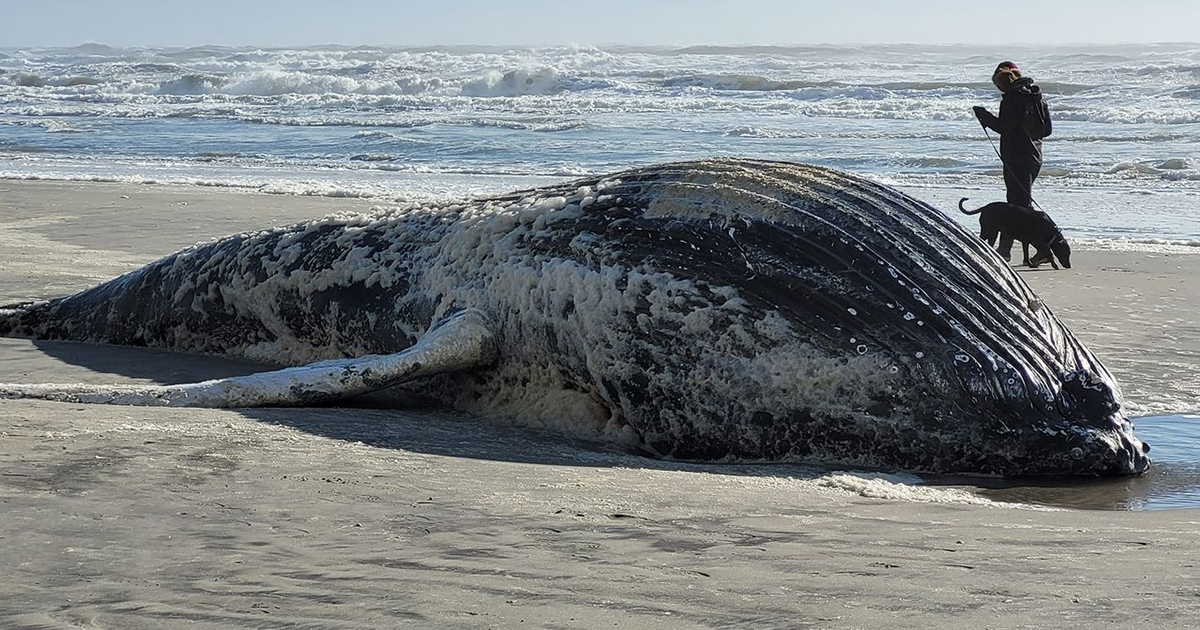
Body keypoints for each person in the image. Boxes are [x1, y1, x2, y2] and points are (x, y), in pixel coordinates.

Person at [972, 61, 1052, 209]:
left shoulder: (1011, 99)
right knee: (1023, 200)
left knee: (1018, 203)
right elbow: (1046, 131)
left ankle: (1025, 231)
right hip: (1035, 156)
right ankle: (1021, 231)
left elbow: (1003, 127)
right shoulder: (1038, 98)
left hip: (1016, 157)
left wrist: (984, 115)